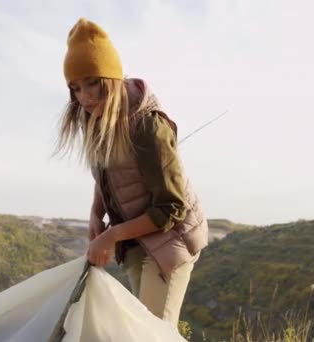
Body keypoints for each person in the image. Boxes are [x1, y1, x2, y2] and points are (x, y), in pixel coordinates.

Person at [55, 17, 209, 328]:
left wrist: (112, 235)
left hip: (170, 239)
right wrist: (96, 215)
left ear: (110, 78)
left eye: (92, 83)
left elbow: (172, 208)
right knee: (139, 330)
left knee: (152, 333)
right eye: (76, 88)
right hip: (137, 240)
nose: (84, 97)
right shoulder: (95, 119)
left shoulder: (148, 127)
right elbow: (105, 176)